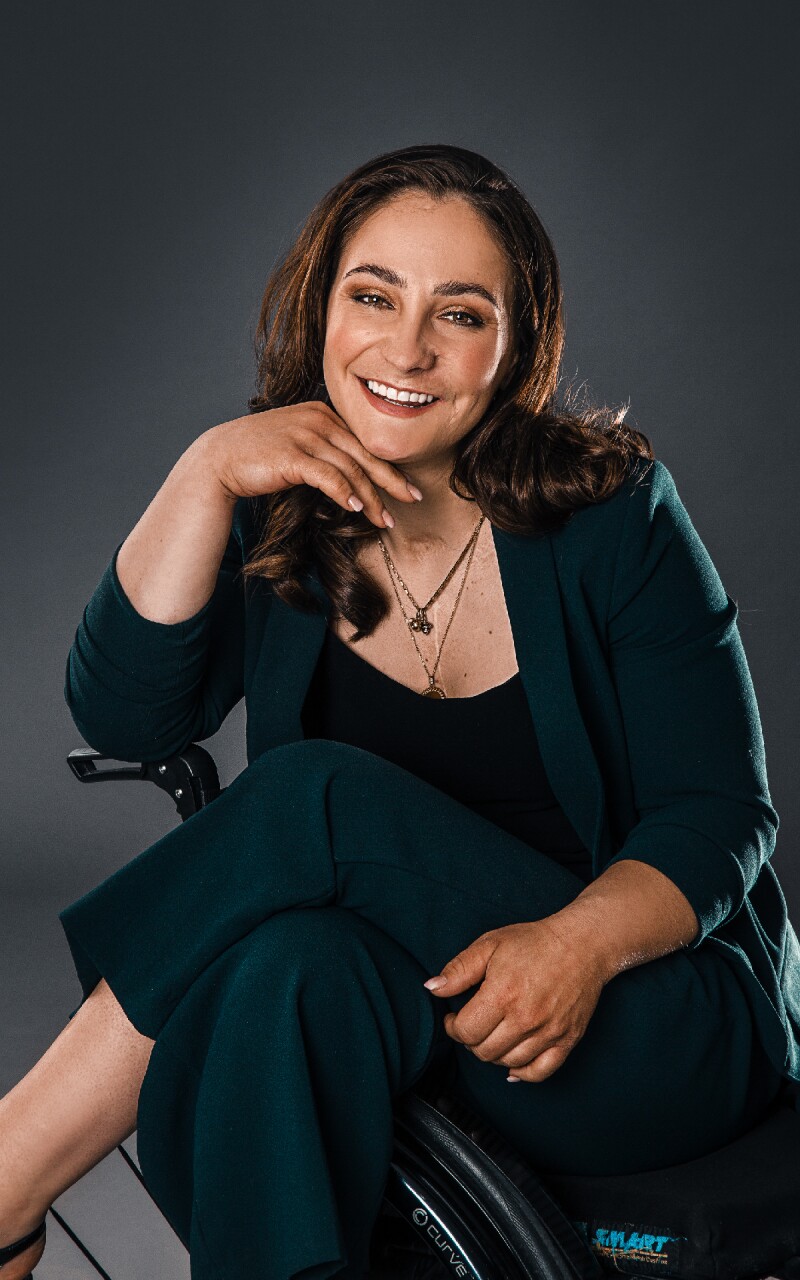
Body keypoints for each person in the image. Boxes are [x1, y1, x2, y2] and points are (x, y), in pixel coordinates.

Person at [1, 143, 798, 1280]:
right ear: (319, 307)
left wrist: (572, 943)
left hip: (637, 1016)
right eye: (372, 295)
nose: (407, 347)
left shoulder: (614, 517)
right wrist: (201, 473)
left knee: (311, 796)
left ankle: (6, 1176)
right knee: (285, 967)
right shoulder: (284, 504)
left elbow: (720, 814)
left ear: (516, 348)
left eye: (460, 314)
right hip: (407, 1010)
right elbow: (127, 715)